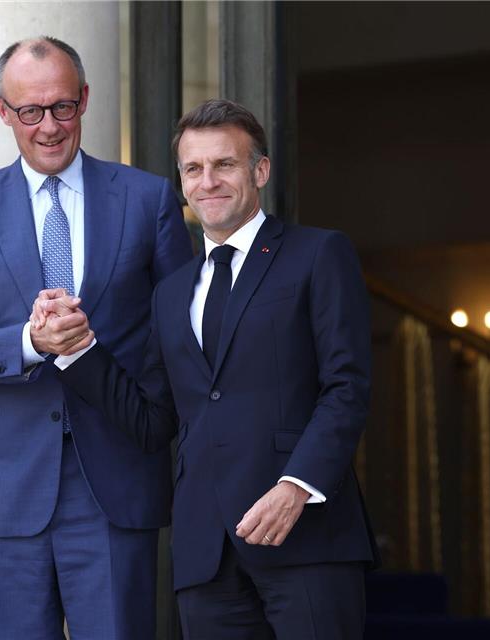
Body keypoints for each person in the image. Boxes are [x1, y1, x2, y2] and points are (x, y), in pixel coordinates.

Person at [41, 99, 376, 639]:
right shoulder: (172, 293)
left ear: (259, 171)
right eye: (193, 169)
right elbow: (153, 419)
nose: (208, 181)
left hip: (307, 538)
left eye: (225, 164)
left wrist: (297, 486)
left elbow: (347, 386)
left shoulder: (318, 255)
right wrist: (77, 349)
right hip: (206, 555)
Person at [0, 37, 193, 639]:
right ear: (2, 111)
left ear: (86, 100)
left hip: (115, 479)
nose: (48, 126)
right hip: (6, 484)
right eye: (30, 112)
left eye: (62, 107)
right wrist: (29, 341)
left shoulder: (147, 199)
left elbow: (178, 335)